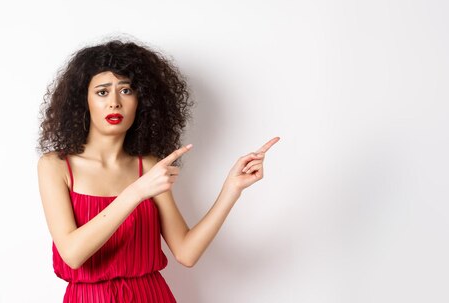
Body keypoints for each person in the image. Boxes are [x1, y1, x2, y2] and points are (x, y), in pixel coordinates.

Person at [36, 38, 280, 302]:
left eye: (127, 90)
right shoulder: (56, 166)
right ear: (83, 101)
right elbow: (72, 254)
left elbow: (186, 253)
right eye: (102, 92)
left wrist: (231, 189)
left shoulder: (149, 166)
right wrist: (136, 192)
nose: (115, 102)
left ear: (143, 101)